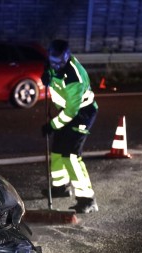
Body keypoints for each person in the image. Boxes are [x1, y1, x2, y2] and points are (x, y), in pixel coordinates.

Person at [41, 39, 99, 213]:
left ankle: (87, 199)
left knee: (71, 156)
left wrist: (52, 125)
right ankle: (60, 188)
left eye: (59, 62)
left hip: (81, 113)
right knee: (58, 151)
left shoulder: (75, 77)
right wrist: (46, 77)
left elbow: (71, 112)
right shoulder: (52, 62)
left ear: (66, 57)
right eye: (52, 62)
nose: (55, 65)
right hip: (64, 112)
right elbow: (52, 75)